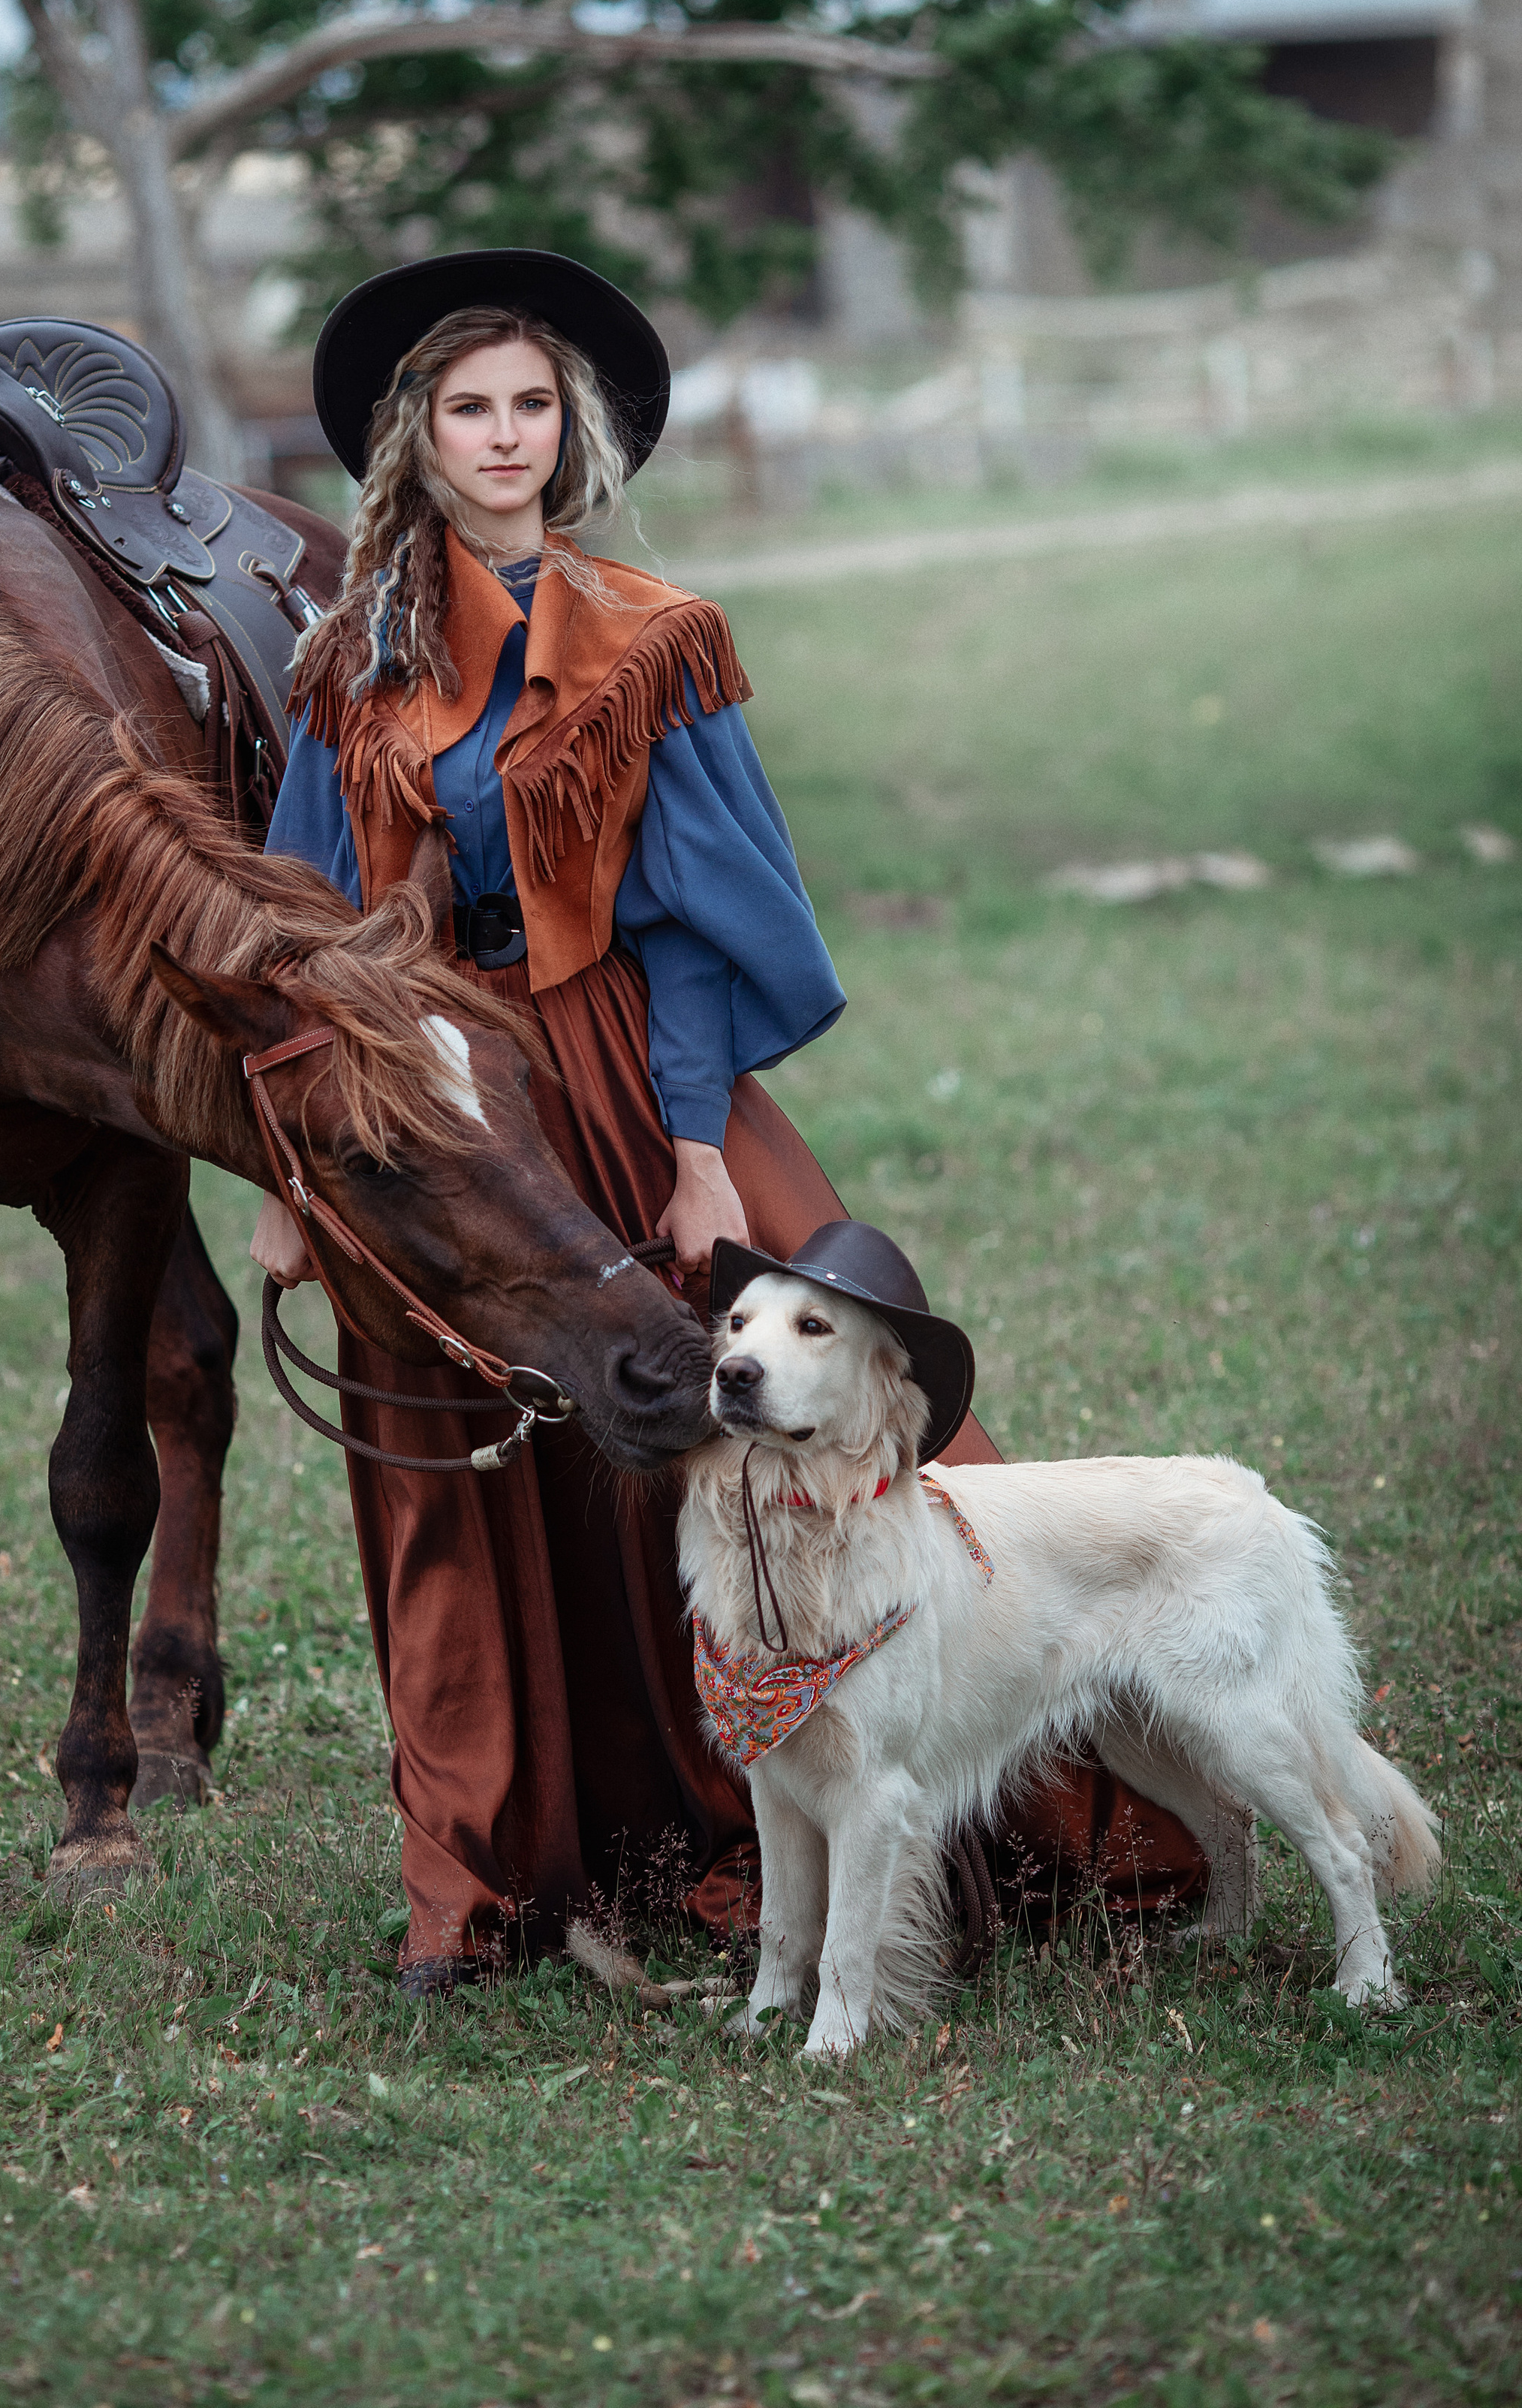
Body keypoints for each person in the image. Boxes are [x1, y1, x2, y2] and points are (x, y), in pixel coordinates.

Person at [258, 249, 1203, 1991]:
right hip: (427, 1105)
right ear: (412, 432)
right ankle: (493, 1882)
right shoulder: (343, 663)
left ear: (572, 426)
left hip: (620, 1079)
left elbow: (692, 919)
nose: (504, 437)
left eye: (531, 405)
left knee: (749, 1453)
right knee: (447, 1497)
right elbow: (307, 927)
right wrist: (286, 1185)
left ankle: (808, 1826)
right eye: (469, 408)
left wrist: (693, 1148)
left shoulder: (646, 640)